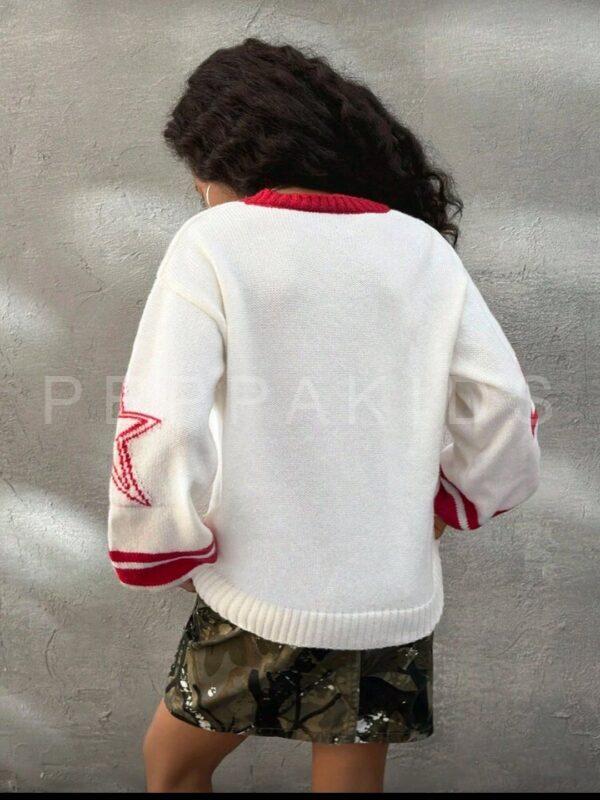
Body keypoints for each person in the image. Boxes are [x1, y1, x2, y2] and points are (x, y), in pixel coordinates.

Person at [106, 38, 540, 793]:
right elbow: (503, 407)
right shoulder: (419, 247)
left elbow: (164, 424)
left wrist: (166, 544)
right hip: (388, 593)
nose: (199, 191)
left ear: (226, 160)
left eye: (198, 173)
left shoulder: (213, 243)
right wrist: (453, 502)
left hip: (258, 586)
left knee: (171, 768)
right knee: (349, 783)